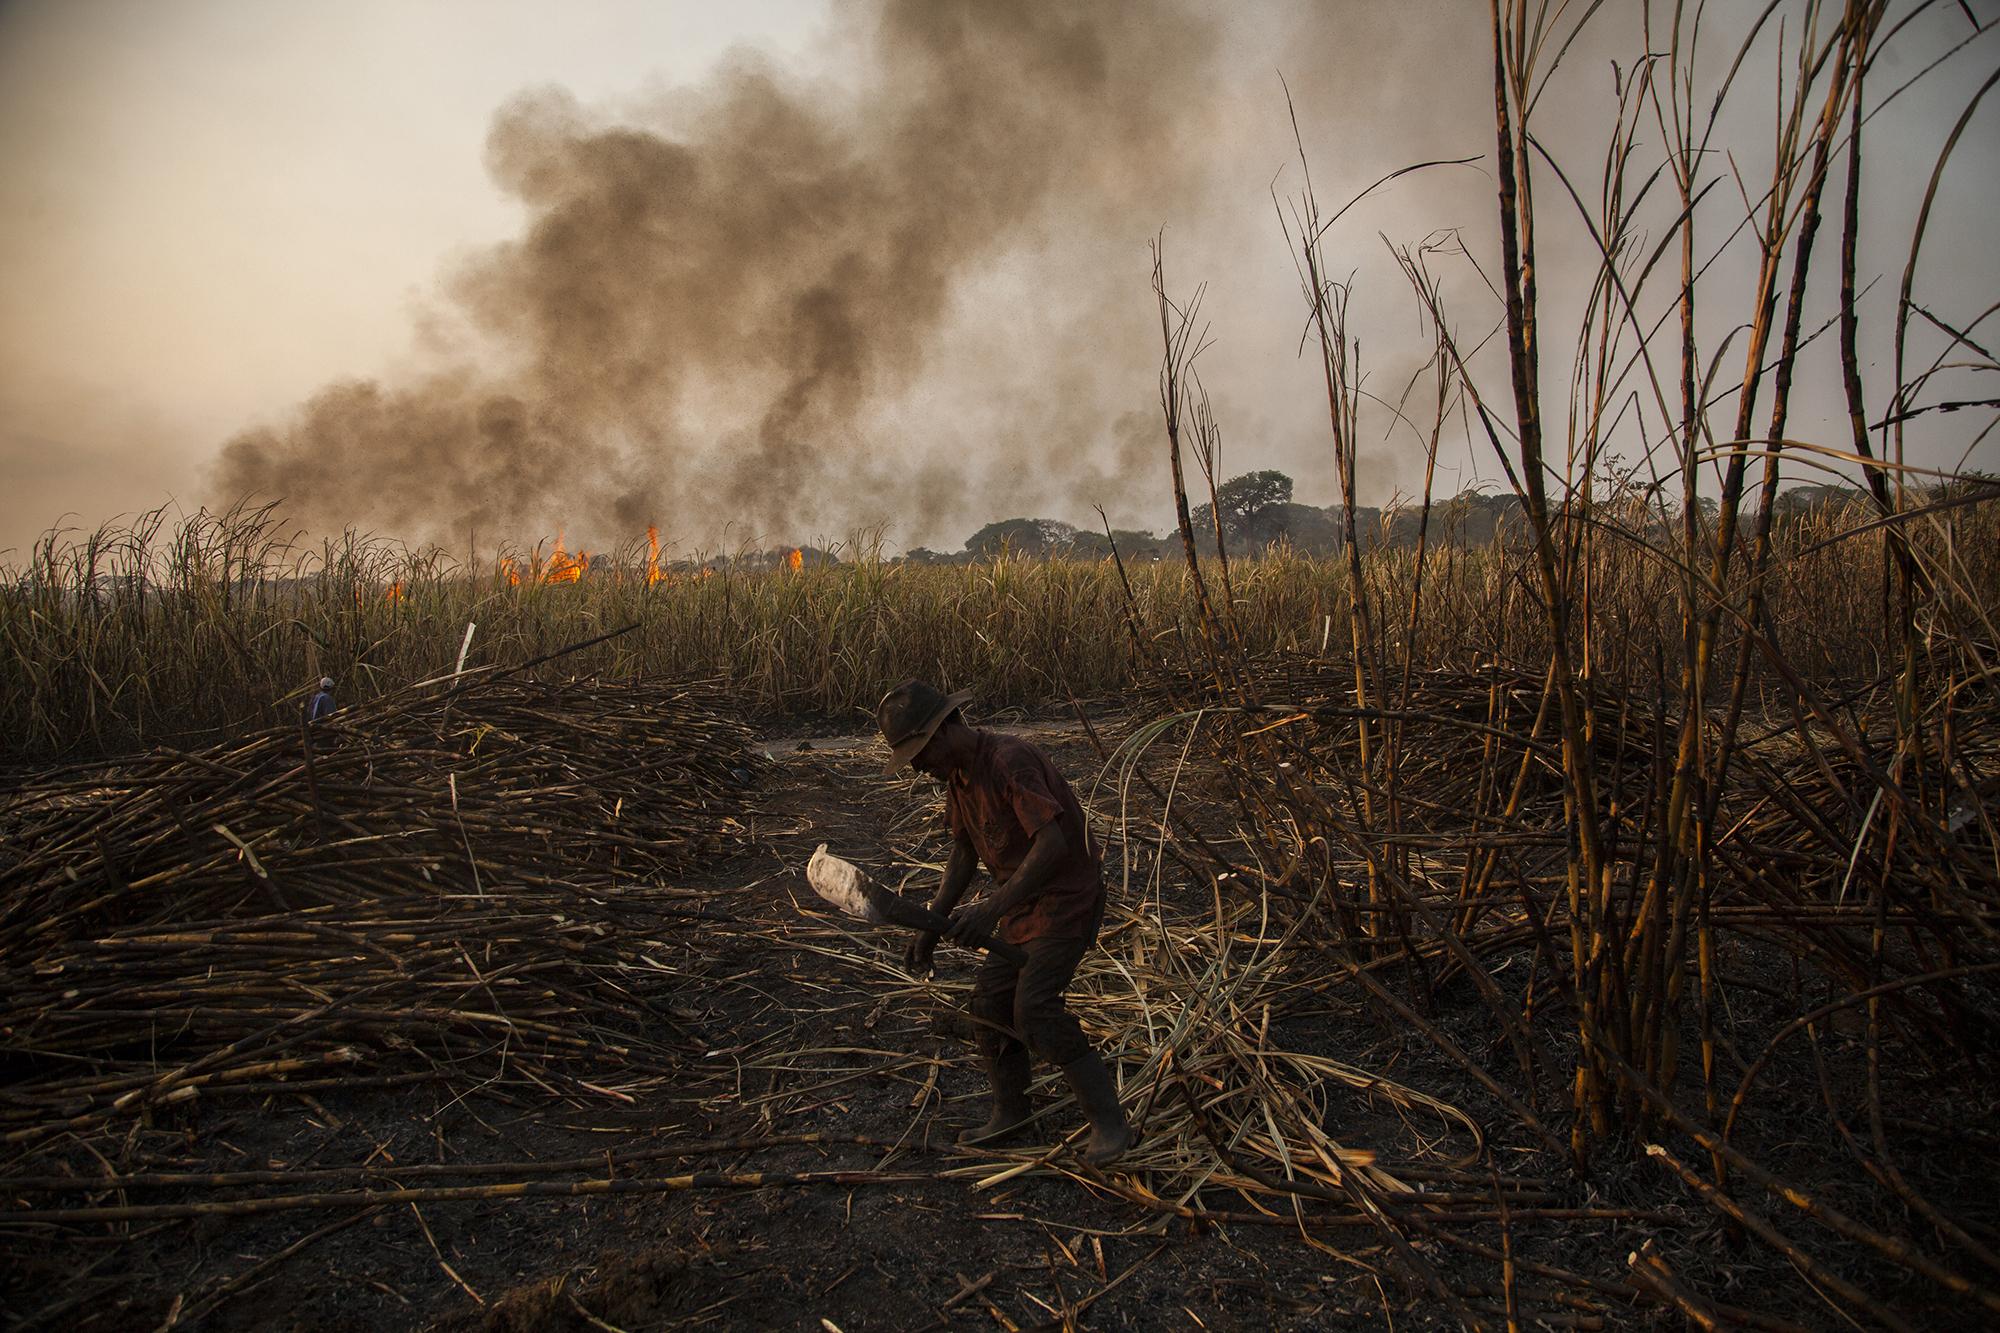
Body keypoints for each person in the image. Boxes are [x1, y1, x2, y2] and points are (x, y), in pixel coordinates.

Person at [877, 678, 1133, 1166]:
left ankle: (1111, 1124)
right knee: (989, 1004)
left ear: (945, 730)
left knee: (1034, 1007)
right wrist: (931, 925)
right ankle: (1012, 1110)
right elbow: (963, 853)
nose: (918, 767)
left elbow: (1054, 844)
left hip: (1066, 901)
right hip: (1022, 908)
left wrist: (989, 909)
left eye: (920, 753)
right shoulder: (958, 776)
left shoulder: (1007, 760)